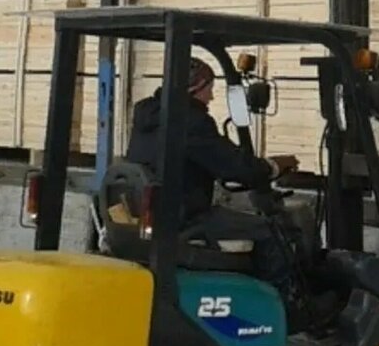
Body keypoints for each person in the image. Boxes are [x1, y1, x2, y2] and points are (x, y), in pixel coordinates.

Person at [126, 57, 327, 330]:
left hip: (162, 213)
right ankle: (290, 313)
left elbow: (206, 160)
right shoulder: (191, 122)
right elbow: (236, 167)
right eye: (209, 89)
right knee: (272, 232)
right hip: (187, 218)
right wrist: (272, 166)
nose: (211, 97)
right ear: (195, 88)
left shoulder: (148, 115)